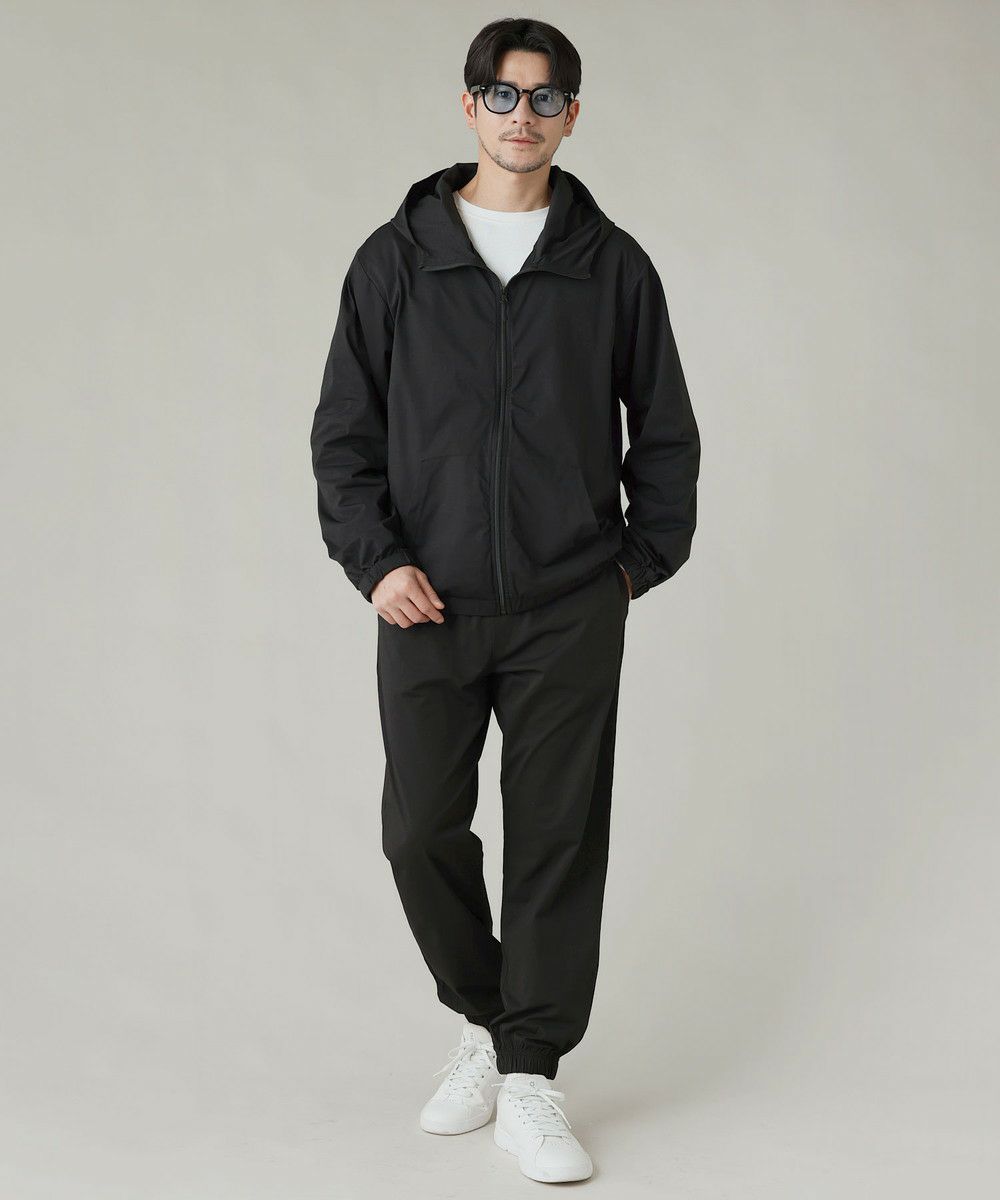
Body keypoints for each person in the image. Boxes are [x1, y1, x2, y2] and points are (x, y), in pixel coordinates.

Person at [310, 16, 700, 1185]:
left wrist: (631, 568)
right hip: (425, 603)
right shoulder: (396, 260)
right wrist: (376, 562)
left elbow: (664, 433)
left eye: (542, 98)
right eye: (499, 93)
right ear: (467, 105)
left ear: (571, 115)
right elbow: (343, 437)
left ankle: (529, 1073)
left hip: (568, 602)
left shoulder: (611, 266)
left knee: (554, 842)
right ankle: (487, 1020)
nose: (519, 115)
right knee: (418, 830)